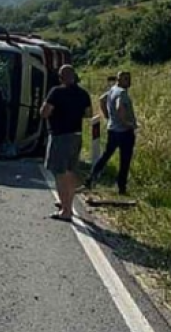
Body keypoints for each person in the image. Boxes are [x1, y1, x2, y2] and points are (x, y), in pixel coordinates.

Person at [41, 65, 93, 220]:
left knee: (60, 174)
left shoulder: (56, 92)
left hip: (60, 136)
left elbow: (45, 112)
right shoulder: (83, 93)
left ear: (61, 77)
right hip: (76, 135)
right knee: (70, 172)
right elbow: (89, 113)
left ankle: (66, 211)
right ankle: (67, 205)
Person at [88, 71, 137, 195]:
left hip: (112, 130)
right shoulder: (121, 92)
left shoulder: (112, 90)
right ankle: (121, 187)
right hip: (124, 132)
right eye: (125, 79)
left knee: (106, 155)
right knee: (125, 160)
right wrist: (126, 123)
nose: (128, 81)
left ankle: (91, 178)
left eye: (129, 78)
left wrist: (107, 115)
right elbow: (119, 107)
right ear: (119, 80)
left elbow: (101, 99)